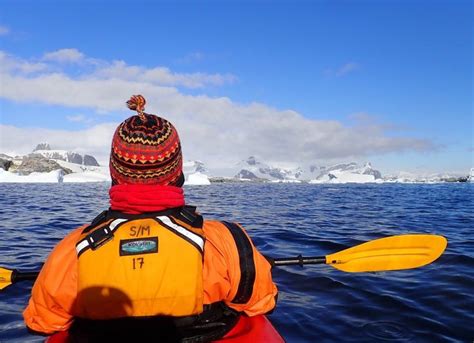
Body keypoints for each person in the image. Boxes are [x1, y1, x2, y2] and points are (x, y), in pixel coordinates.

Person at [23, 95, 277, 341]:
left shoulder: (71, 250)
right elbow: (262, 301)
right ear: (177, 170)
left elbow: (42, 322)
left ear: (114, 170)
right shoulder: (226, 241)